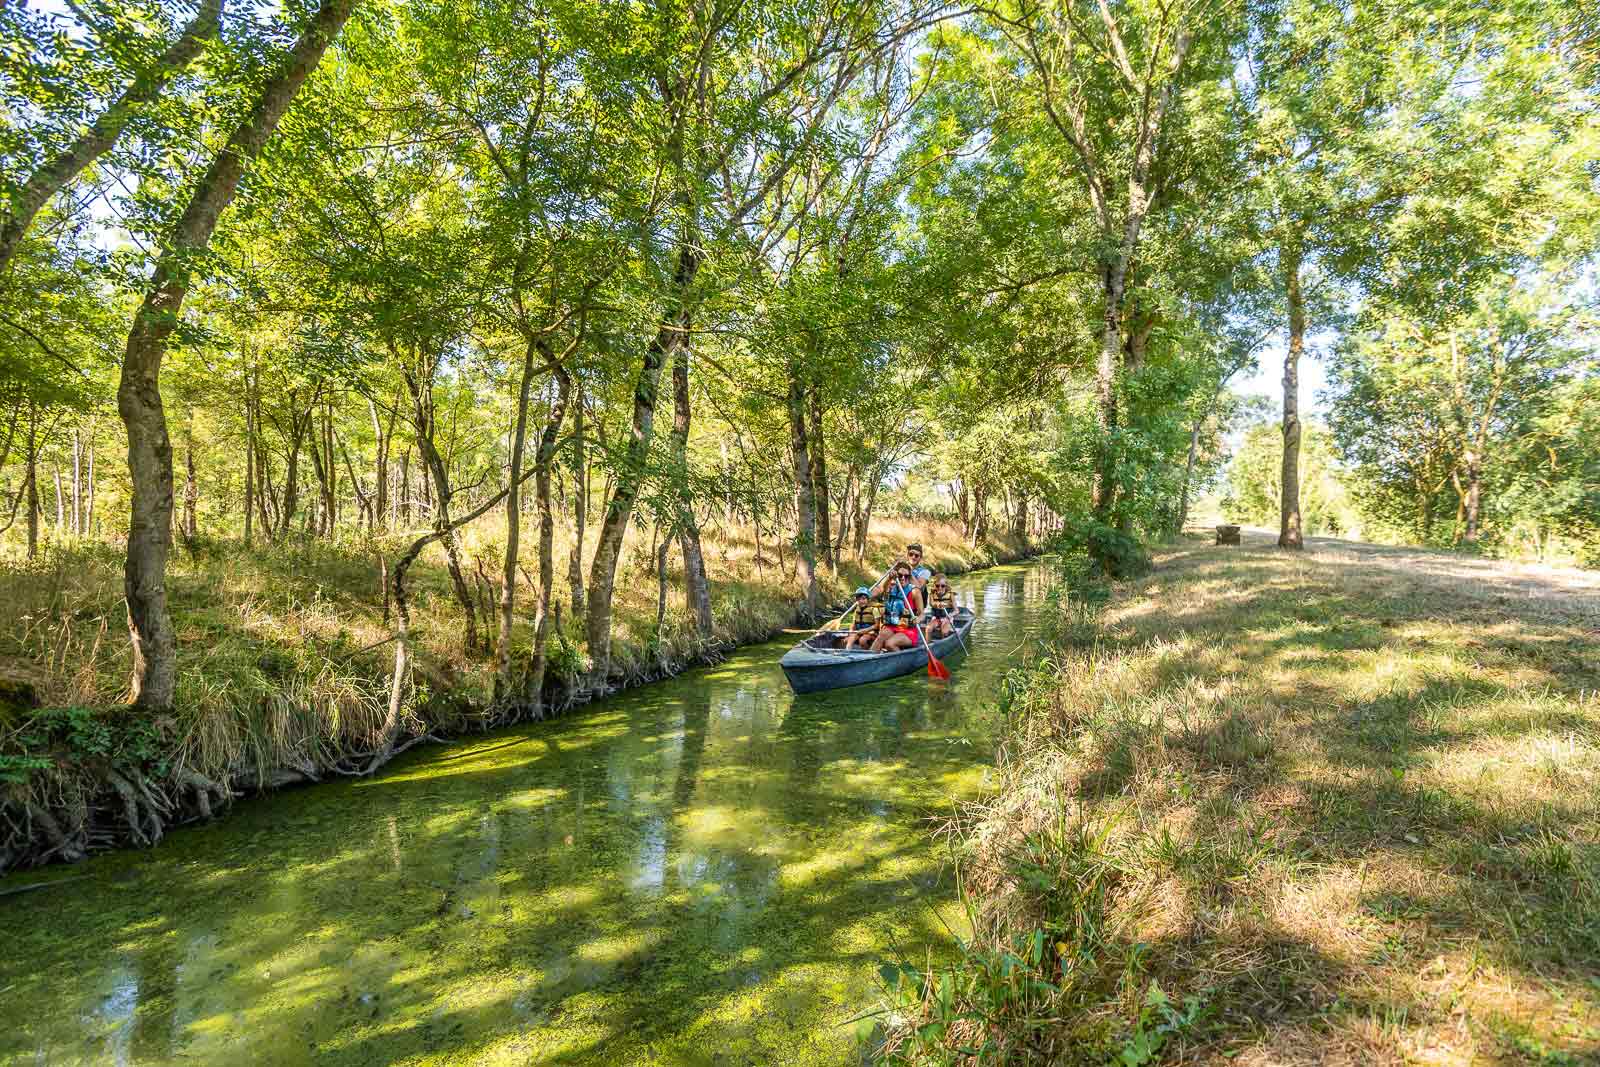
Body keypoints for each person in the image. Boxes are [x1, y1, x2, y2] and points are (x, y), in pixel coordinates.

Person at [870, 560, 924, 652]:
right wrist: (889, 578)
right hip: (892, 626)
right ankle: (868, 661)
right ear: (896, 576)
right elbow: (879, 590)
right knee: (880, 638)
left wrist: (918, 619)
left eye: (906, 576)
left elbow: (922, 614)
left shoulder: (915, 591)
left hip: (908, 630)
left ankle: (901, 663)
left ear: (909, 577)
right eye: (900, 575)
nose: (903, 578)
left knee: (889, 644)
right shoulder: (891, 588)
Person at [841, 586, 881, 651]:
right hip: (859, 631)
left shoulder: (874, 609)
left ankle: (867, 654)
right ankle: (847, 653)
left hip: (871, 632)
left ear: (868, 599)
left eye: (863, 599)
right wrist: (851, 632)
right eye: (859, 599)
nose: (861, 601)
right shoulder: (857, 610)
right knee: (850, 639)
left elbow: (877, 625)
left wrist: (865, 630)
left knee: (862, 640)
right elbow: (853, 624)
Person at [925, 573, 957, 638]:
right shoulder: (932, 594)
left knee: (944, 632)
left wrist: (949, 616)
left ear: (946, 585)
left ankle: (943, 644)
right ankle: (927, 646)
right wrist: (937, 604)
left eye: (942, 586)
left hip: (947, 618)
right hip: (937, 618)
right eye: (937, 586)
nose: (940, 588)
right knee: (928, 628)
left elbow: (956, 611)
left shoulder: (951, 595)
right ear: (934, 585)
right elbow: (932, 603)